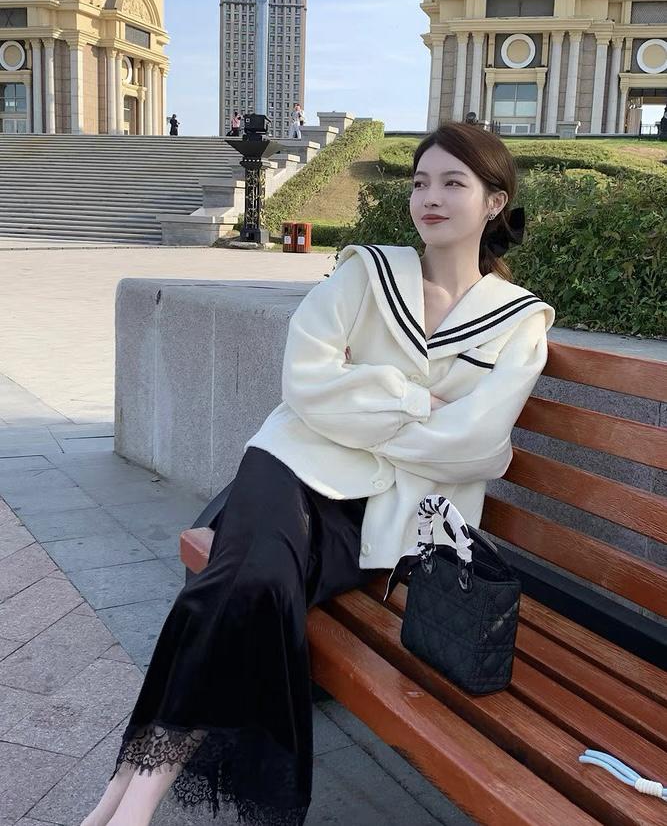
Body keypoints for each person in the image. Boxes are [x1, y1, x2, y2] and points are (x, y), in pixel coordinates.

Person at [81, 121, 555, 826]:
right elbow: (305, 382)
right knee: (251, 581)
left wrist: (359, 398)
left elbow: (477, 446)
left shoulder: (519, 321)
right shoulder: (368, 272)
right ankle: (135, 806)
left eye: (452, 183)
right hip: (290, 463)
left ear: (494, 201)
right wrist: (413, 403)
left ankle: (122, 794)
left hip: (385, 513)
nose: (430, 197)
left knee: (249, 587)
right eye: (420, 181)